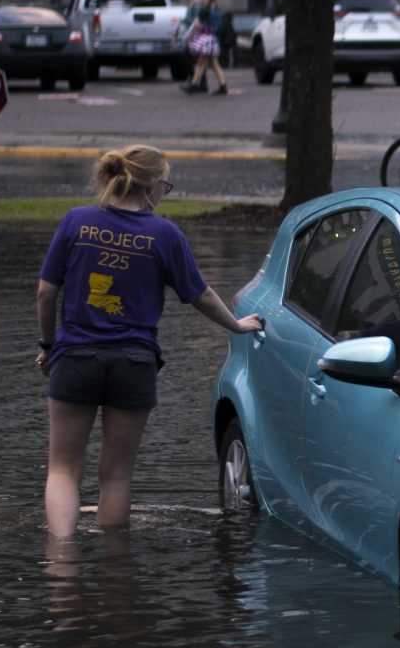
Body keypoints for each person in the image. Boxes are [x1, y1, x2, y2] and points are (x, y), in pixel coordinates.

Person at [35, 144, 263, 538]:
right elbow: (201, 295)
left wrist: (47, 345)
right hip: (134, 363)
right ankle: (112, 572)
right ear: (151, 186)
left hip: (75, 357)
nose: (164, 193)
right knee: (117, 476)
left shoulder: (76, 222)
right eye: (166, 186)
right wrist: (236, 326)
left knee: (63, 469)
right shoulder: (164, 234)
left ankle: (61, 567)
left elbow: (45, 292)